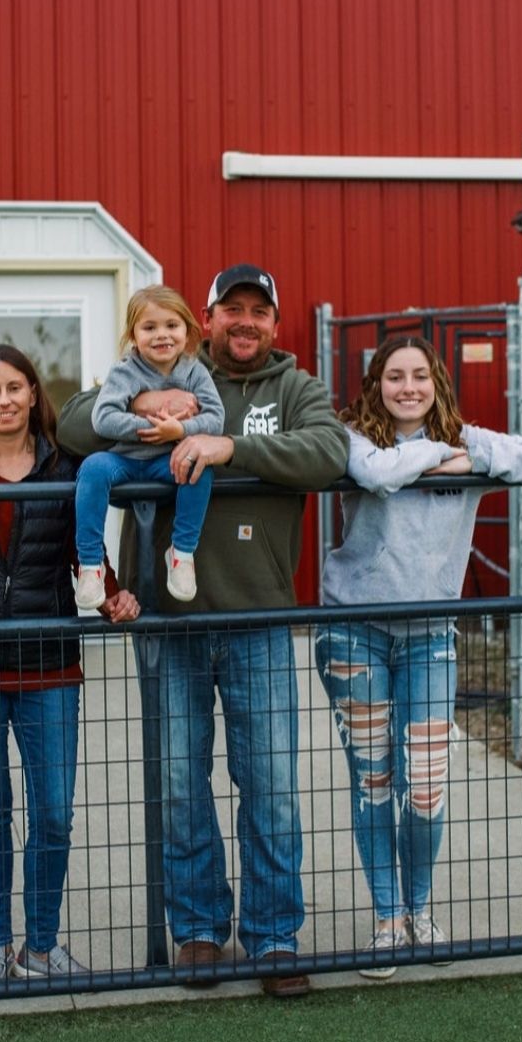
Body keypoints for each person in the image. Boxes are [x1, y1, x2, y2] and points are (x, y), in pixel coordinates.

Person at [59, 264, 348, 997]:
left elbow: (328, 453)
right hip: (168, 618)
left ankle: (275, 938)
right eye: (231, 310)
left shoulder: (294, 388)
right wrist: (151, 400)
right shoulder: (161, 366)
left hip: (257, 617)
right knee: (180, 783)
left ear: (275, 323)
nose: (245, 322)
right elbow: (69, 424)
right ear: (206, 320)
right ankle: (196, 932)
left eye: (260, 311)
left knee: (273, 785)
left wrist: (230, 448)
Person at [316, 335, 522, 975]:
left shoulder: (469, 442)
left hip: (431, 636)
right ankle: (386, 919)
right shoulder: (352, 438)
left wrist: (478, 455)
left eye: (420, 377)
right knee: (374, 782)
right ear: (375, 383)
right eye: (394, 376)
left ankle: (420, 910)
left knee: (427, 784)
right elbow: (379, 474)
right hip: (356, 631)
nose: (407, 387)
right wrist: (441, 454)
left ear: (436, 382)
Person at [0, 343, 139, 986]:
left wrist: (114, 595)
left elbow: (86, 553)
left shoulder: (68, 469)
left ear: (35, 395)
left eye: (17, 388)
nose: (6, 400)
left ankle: (41, 947)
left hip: (49, 665)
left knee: (53, 813)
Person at [74, 285, 225, 611]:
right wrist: (153, 428)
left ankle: (182, 554)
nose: (162, 335)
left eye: (172, 326)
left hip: (167, 461)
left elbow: (216, 419)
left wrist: (181, 430)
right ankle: (90, 565)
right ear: (133, 334)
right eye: (149, 327)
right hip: (124, 459)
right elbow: (103, 419)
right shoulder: (124, 371)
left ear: (187, 330)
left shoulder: (194, 371)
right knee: (92, 468)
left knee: (200, 466)